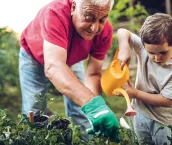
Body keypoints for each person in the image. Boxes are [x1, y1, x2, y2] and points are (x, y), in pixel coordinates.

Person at [19, 0, 119, 142]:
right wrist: (91, 103)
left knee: (83, 110)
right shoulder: (55, 13)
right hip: (33, 57)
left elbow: (93, 73)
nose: (94, 28)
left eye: (102, 19)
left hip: (71, 59)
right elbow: (53, 67)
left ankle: (88, 141)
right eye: (89, 17)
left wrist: (97, 108)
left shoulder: (105, 32)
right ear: (73, 7)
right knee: (34, 111)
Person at [116, 13, 172, 145]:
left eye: (163, 52)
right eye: (151, 53)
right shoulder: (142, 47)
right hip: (140, 113)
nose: (157, 58)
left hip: (163, 121)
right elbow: (122, 32)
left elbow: (167, 100)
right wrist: (124, 48)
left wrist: (135, 93)